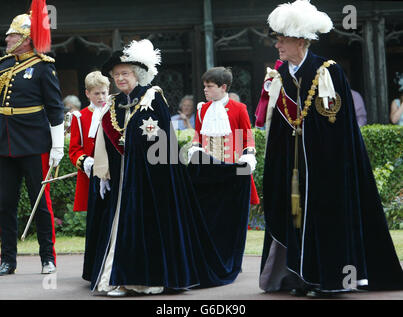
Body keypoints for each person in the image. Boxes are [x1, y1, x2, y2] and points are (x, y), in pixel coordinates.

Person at [84, 39, 251, 297]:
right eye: (116, 74)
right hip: (126, 181)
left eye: (125, 73)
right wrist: (105, 171)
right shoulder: (114, 104)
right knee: (121, 226)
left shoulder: (153, 97)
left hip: (156, 179)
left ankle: (143, 280)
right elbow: (107, 141)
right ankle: (118, 279)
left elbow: (164, 145)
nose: (120, 78)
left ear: (137, 74)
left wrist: (244, 159)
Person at [259, 0, 403, 297]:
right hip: (294, 168)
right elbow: (279, 128)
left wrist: (328, 163)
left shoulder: (327, 71)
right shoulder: (280, 75)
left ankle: (331, 280)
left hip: (326, 167)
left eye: (282, 40)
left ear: (300, 40)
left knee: (325, 217)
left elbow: (335, 125)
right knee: (295, 217)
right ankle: (300, 276)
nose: (277, 46)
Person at [0, 1, 65, 276]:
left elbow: (55, 108)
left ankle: (47, 258)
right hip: (4, 141)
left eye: (12, 35)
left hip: (35, 142)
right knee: (5, 203)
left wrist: (58, 146)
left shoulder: (43, 67)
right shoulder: (3, 64)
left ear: (26, 39)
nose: (7, 38)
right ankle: (8, 259)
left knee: (40, 203)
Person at [189, 67, 260, 205]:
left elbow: (247, 139)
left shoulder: (239, 108)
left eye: (209, 86)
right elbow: (198, 137)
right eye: (204, 86)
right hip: (209, 170)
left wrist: (248, 158)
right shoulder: (202, 109)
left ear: (223, 87)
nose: (205, 89)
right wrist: (195, 152)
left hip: (233, 168)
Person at [69, 71, 110, 212]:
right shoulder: (80, 117)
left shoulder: (115, 113)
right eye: (96, 94)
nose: (101, 97)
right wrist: (87, 162)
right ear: (87, 94)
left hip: (113, 170)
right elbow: (74, 150)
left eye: (104, 93)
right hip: (90, 174)